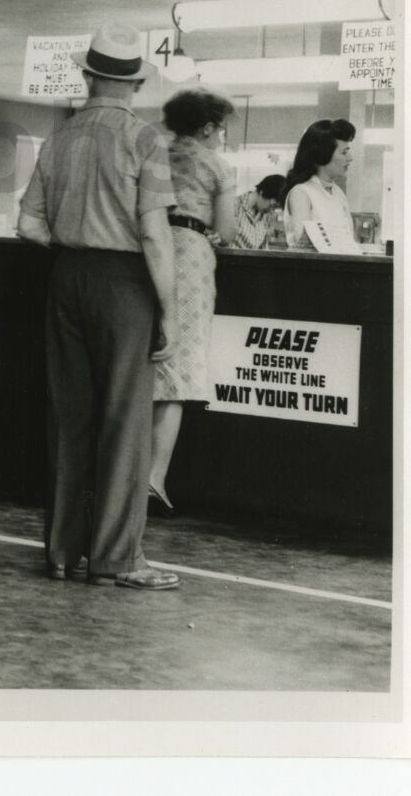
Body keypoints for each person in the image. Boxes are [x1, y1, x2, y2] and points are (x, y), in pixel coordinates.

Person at [17, 22, 180, 592]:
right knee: (124, 423)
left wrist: (72, 241)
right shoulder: (145, 139)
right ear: (135, 84)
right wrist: (170, 308)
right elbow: (156, 233)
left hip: (66, 276)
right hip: (124, 283)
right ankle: (118, 558)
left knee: (69, 420)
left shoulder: (57, 139)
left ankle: (63, 551)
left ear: (87, 77)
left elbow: (27, 223)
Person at [148, 89, 239, 516]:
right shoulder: (218, 166)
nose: (221, 137)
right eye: (220, 129)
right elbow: (228, 229)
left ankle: (122, 475)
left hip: (146, 250)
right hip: (190, 255)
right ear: (207, 128)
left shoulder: (154, 154)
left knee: (142, 366)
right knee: (177, 373)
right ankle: (154, 479)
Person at [283, 120, 355, 250]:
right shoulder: (301, 193)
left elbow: (348, 239)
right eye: (344, 152)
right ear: (323, 155)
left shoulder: (338, 193)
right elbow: (304, 248)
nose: (350, 158)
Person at [231, 175, 286, 250]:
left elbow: (263, 249)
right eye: (272, 205)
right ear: (262, 192)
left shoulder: (266, 216)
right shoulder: (234, 206)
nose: (271, 211)